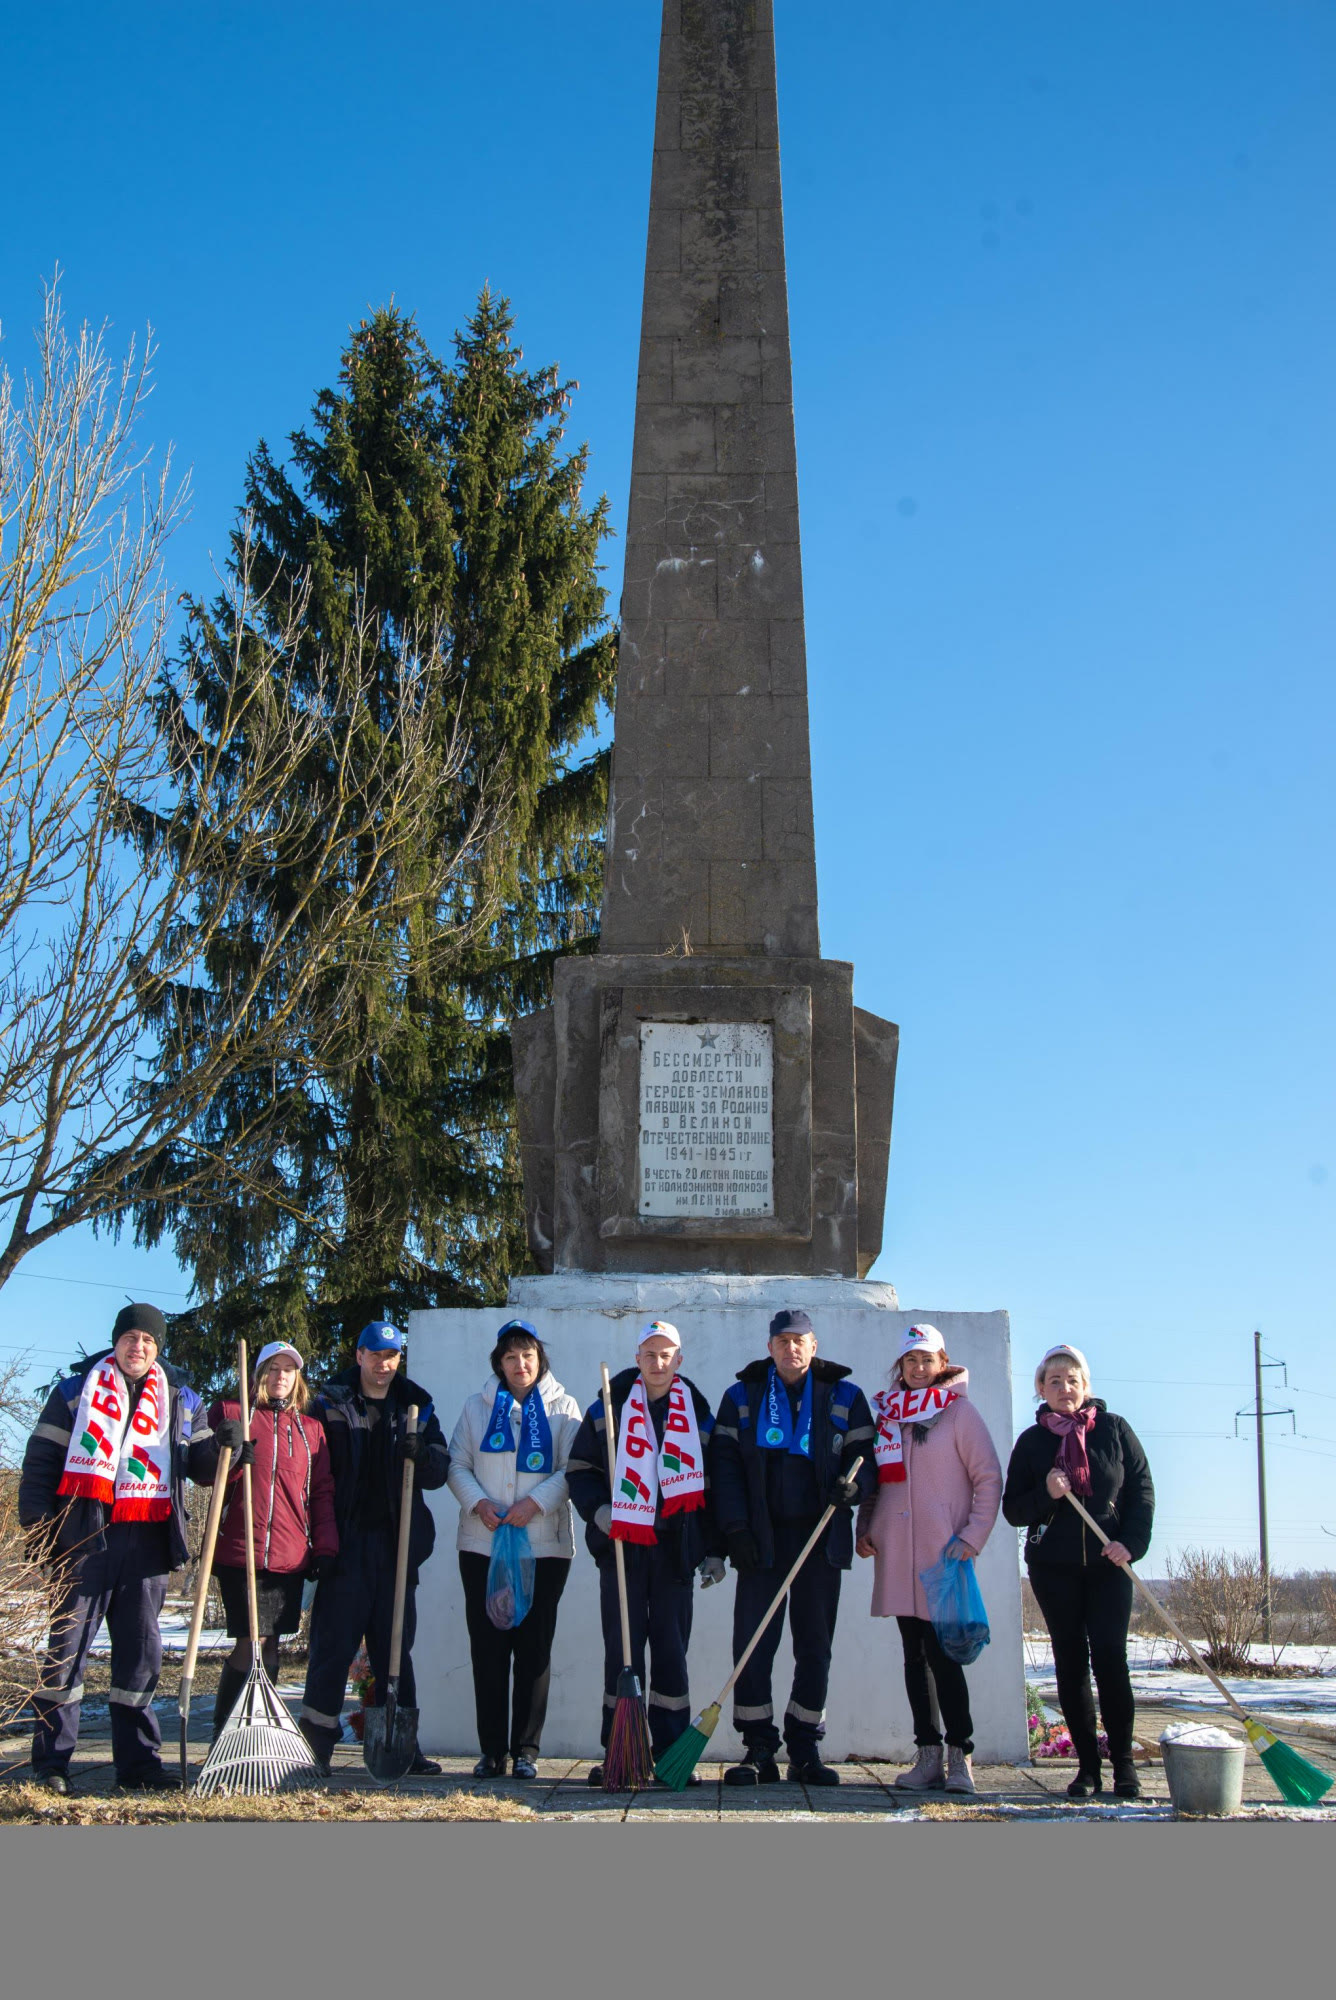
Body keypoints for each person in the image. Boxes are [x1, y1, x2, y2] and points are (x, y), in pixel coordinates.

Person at [18, 1304, 214, 1793]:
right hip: (82, 1539)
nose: (138, 1347)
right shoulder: (75, 1391)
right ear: (116, 1341)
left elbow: (203, 1464)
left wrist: (230, 1444)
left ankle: (139, 1766)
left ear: (159, 1347)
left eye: (148, 1340)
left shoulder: (182, 1399)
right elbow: (40, 1461)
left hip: (146, 1543)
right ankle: (52, 1764)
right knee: (66, 1654)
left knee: (140, 1657)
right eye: (130, 1337)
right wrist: (42, 1533)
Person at [709, 1307, 876, 1787]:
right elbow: (723, 1468)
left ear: (814, 1345)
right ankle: (758, 1747)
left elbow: (866, 1456)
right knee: (753, 1643)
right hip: (760, 1540)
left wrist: (854, 1487)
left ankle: (805, 1746)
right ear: (770, 1347)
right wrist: (735, 1529)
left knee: (814, 1646)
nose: (791, 1348)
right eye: (782, 1341)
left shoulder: (845, 1395)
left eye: (799, 1340)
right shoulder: (741, 1396)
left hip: (820, 1537)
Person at [566, 1320, 723, 1787]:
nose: (658, 1363)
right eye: (649, 1354)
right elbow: (580, 1470)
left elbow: (714, 1484)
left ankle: (672, 1754)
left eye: (666, 1354)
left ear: (680, 1360)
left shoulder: (697, 1414)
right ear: (637, 1359)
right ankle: (621, 1752)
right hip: (624, 1549)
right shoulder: (607, 1410)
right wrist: (598, 1512)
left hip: (676, 1550)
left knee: (672, 1653)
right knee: (623, 1652)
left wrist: (712, 1550)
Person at [1002, 1343, 1155, 1799]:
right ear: (1041, 1390)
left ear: (1085, 1386)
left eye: (1072, 1380)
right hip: (1055, 1568)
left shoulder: (1114, 1430)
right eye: (1054, 1381)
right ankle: (1087, 1769)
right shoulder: (1031, 1443)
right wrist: (1048, 1493)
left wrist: (1131, 1543)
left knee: (1111, 1658)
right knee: (1071, 1664)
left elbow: (1142, 1492)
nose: (1064, 1388)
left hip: (1110, 1564)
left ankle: (1124, 1766)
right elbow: (1013, 1510)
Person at [855, 1323, 1002, 1794]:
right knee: (913, 1658)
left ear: (943, 1363)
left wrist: (972, 1537)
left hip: (943, 1558)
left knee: (945, 1657)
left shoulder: (959, 1413)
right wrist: (866, 1527)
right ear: (901, 1366)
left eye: (927, 1360)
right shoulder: (888, 1414)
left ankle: (961, 1757)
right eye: (910, 1361)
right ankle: (928, 1757)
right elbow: (873, 1479)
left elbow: (988, 1479)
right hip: (897, 1553)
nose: (919, 1369)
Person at [299, 1321, 450, 1776]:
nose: (384, 1365)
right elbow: (308, 1464)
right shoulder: (330, 1403)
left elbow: (440, 1470)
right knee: (333, 1648)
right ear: (359, 1355)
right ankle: (316, 1746)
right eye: (375, 1355)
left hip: (396, 1546)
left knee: (394, 1651)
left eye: (392, 1356)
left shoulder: (417, 1406)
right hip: (344, 1547)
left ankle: (403, 1747)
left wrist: (421, 1454)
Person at [447, 1319, 582, 1779]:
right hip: (483, 1545)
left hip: (544, 1546)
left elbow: (573, 1469)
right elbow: (457, 1464)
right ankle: (491, 1752)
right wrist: (479, 1502)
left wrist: (535, 1504)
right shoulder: (476, 1408)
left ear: (540, 1358)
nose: (520, 1364)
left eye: (528, 1355)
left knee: (533, 1648)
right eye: (510, 1357)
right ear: (498, 1363)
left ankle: (526, 1751)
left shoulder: (564, 1408)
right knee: (488, 1648)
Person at [201, 1340, 338, 1740]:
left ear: (297, 1379)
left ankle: (257, 1729)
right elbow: (206, 1474)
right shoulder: (233, 1416)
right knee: (251, 1641)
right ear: (259, 1375)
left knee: (271, 1643)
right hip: (240, 1552)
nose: (281, 1376)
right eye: (273, 1368)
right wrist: (225, 1454)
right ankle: (226, 1731)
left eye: (289, 1370)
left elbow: (322, 1491)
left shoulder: (311, 1431)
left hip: (288, 1554)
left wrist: (325, 1546)